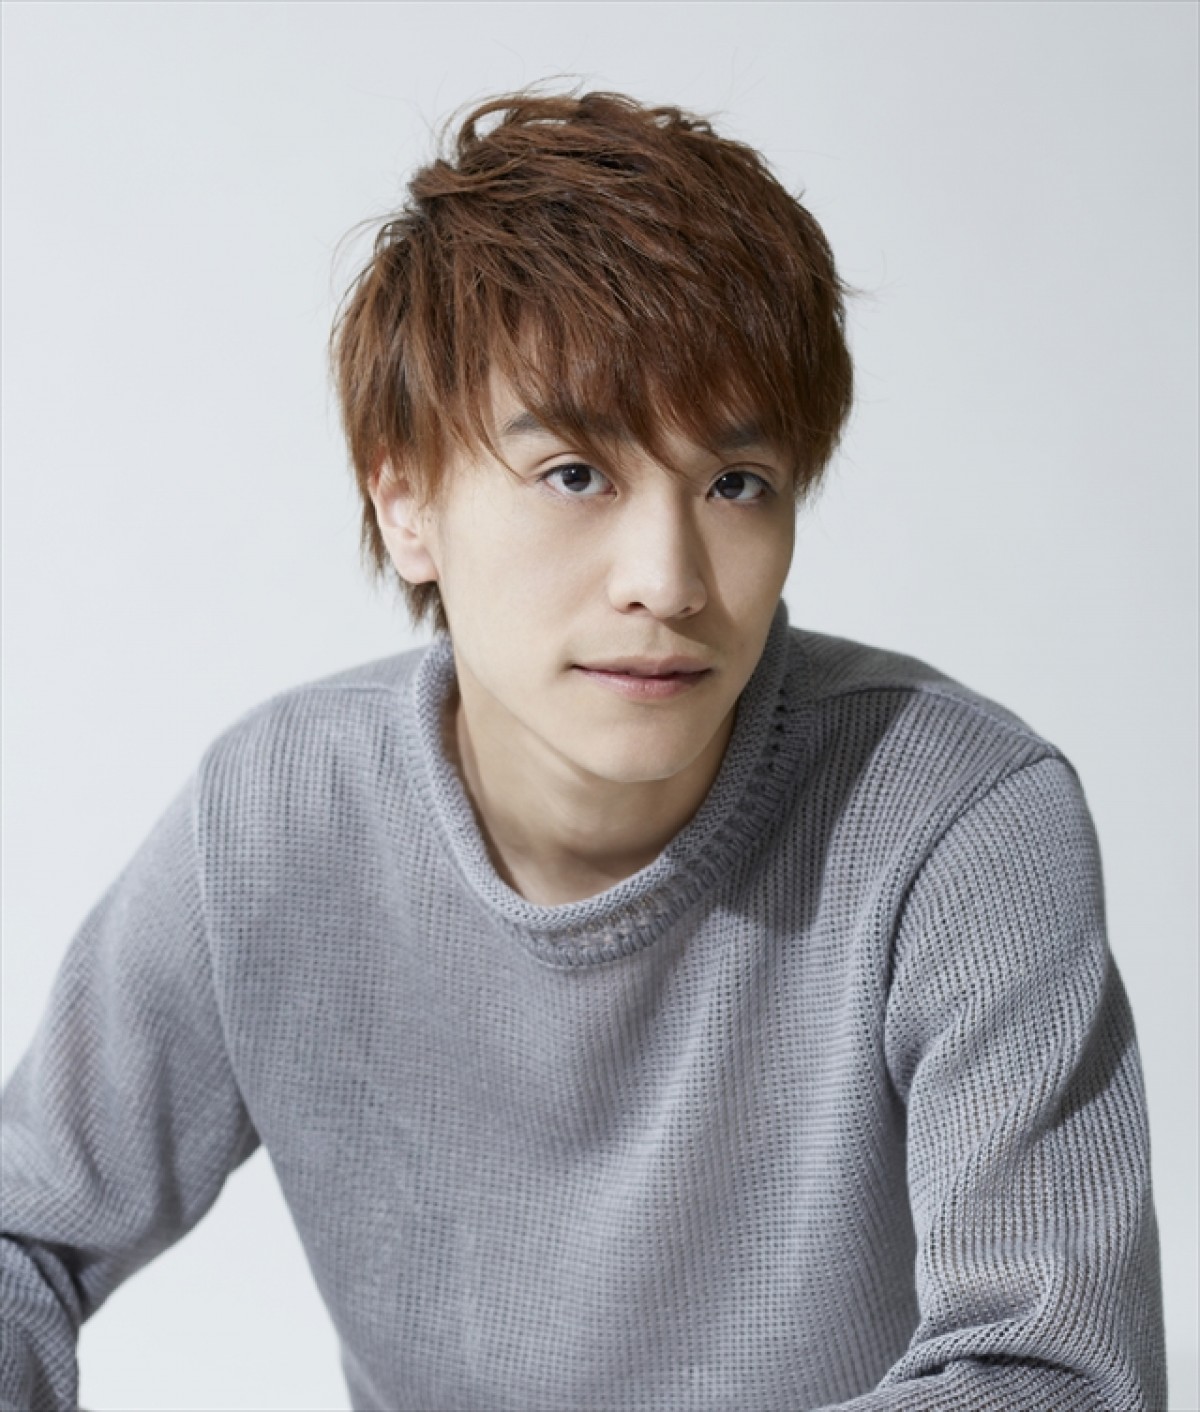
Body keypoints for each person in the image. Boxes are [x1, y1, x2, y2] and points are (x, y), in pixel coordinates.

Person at [0, 89, 1166, 1412]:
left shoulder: (957, 820)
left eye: (735, 484)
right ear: (405, 502)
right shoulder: (276, 817)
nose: (667, 579)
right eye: (575, 474)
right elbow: (23, 1238)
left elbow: (1059, 1376)